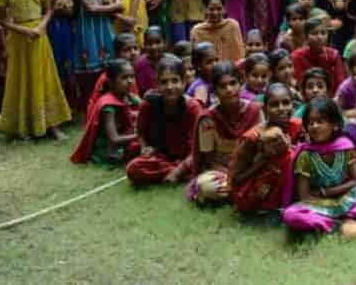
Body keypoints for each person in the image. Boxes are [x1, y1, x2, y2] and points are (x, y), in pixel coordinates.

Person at [282, 96, 356, 238]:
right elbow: (304, 196)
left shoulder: (345, 147)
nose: (314, 126)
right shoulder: (305, 156)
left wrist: (328, 192)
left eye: (320, 121)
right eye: (311, 123)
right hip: (318, 204)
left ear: (334, 124)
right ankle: (339, 224)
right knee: (291, 215)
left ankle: (332, 222)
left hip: (343, 199)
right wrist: (328, 201)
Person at [0, 0, 72, 140]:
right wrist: (26, 31)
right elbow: (2, 20)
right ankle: (23, 125)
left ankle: (52, 125)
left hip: (39, 37)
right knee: (21, 78)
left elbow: (49, 10)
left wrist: (40, 27)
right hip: (19, 39)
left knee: (45, 76)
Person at [188, 62, 262, 204]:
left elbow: (261, 147)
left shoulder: (254, 111)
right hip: (222, 171)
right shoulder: (208, 119)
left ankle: (239, 191)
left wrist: (247, 172)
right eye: (222, 86)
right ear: (215, 91)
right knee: (206, 186)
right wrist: (232, 175)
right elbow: (208, 159)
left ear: (241, 83)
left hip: (250, 168)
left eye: (233, 83)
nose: (229, 89)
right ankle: (244, 192)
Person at [126, 56, 203, 186]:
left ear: (184, 82)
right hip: (160, 156)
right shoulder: (149, 104)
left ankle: (181, 172)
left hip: (188, 156)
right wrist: (145, 147)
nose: (169, 87)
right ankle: (181, 173)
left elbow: (199, 147)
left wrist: (178, 171)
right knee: (133, 168)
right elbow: (140, 132)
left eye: (175, 81)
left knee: (201, 162)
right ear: (157, 83)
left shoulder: (193, 107)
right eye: (164, 82)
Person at [228, 83, 302, 212]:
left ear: (293, 105)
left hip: (282, 185)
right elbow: (235, 180)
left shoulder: (298, 126)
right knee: (288, 157)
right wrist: (264, 159)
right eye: (274, 105)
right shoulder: (252, 137)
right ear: (265, 109)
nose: (281, 108)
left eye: (286, 103)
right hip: (249, 192)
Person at [69, 0, 122, 113]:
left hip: (104, 30)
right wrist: (110, 7)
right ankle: (91, 106)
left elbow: (120, 5)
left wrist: (106, 7)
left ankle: (109, 102)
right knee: (89, 72)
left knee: (107, 68)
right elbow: (90, 8)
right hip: (86, 32)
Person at [70, 60, 140, 165]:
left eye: (132, 76)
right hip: (109, 148)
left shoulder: (129, 96)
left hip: (126, 138)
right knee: (138, 148)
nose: (130, 81)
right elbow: (114, 139)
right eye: (124, 78)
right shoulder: (108, 106)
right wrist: (139, 135)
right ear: (111, 82)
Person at [290, 18, 345, 95]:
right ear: (306, 37)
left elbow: (340, 83)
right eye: (314, 33)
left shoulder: (333, 55)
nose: (319, 37)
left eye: (323, 33)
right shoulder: (296, 56)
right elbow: (299, 84)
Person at [189, 0, 245, 65]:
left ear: (224, 9)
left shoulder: (233, 26)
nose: (215, 13)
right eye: (211, 9)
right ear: (205, 9)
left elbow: (240, 55)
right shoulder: (197, 31)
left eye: (219, 9)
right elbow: (196, 61)